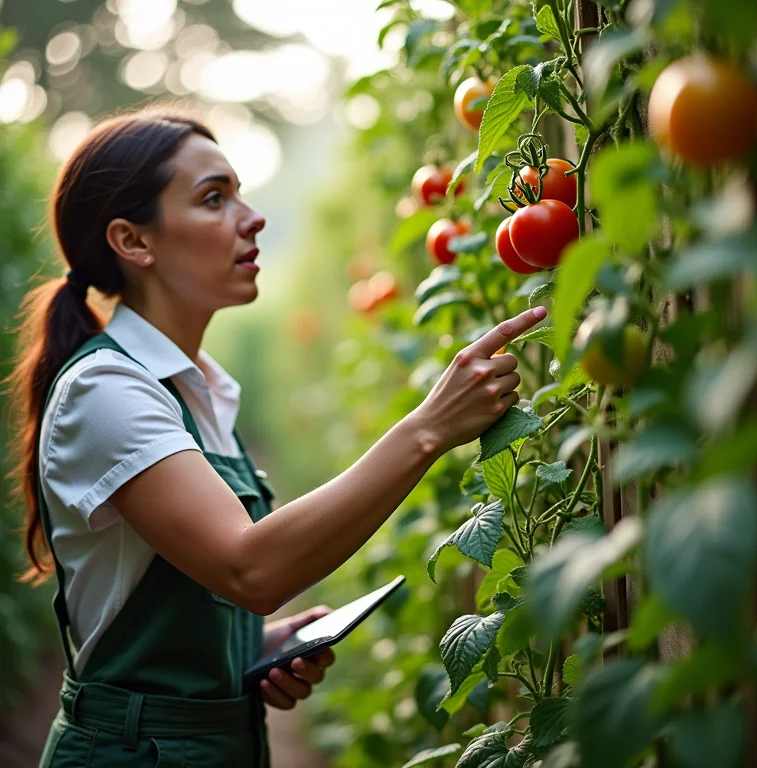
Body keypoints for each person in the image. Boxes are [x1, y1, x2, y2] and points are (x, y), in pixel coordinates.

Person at [6, 105, 547, 767]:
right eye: (214, 198)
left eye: (238, 192)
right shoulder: (109, 392)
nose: (252, 216)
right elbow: (248, 566)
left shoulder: (194, 387)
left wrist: (247, 648)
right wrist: (429, 428)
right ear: (134, 241)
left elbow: (192, 583)